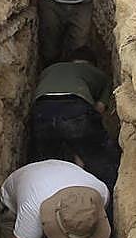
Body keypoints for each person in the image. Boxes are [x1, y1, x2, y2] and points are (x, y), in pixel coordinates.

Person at [29, 47, 119, 190]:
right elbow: (99, 108)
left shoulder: (49, 70)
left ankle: (47, 195)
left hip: (42, 110)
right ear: (91, 64)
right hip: (75, 107)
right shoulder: (97, 74)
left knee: (47, 162)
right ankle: (106, 198)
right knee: (102, 158)